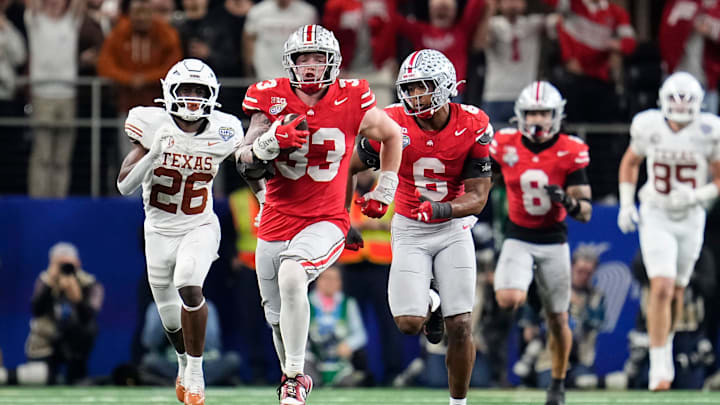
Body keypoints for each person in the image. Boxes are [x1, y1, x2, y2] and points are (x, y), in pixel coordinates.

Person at [235, 24, 402, 405]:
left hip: (325, 218)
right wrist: (267, 143)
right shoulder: (270, 99)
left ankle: (296, 378)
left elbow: (392, 135)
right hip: (276, 218)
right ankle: (289, 382)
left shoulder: (352, 97)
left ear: (334, 62)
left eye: (318, 58)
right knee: (276, 316)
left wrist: (385, 188)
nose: (310, 66)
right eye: (302, 58)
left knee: (293, 275)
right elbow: (243, 158)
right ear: (289, 63)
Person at [350, 49, 494, 405]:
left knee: (460, 325)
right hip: (411, 227)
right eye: (410, 89)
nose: (415, 97)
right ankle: (431, 302)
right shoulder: (392, 122)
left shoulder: (472, 123)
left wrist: (443, 208)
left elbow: (478, 196)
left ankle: (457, 403)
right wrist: (342, 216)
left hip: (453, 226)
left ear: (445, 87)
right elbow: (349, 167)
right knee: (408, 324)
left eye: (423, 88)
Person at [116, 58, 244, 405]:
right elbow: (124, 186)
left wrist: (264, 197)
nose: (190, 98)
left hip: (199, 225)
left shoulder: (225, 129)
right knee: (171, 322)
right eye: (185, 90)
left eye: (198, 91)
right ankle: (184, 362)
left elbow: (250, 167)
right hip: (158, 231)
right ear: (169, 93)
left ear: (212, 95)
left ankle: (197, 373)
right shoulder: (151, 123)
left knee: (190, 283)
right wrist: (152, 153)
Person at [616, 71, 720, 391]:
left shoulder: (709, 130)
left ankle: (667, 343)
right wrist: (626, 203)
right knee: (660, 285)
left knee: (677, 290)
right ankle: (659, 367)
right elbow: (631, 162)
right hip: (656, 212)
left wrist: (697, 196)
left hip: (690, 216)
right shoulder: (649, 125)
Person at [490, 80, 592, 405]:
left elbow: (586, 212)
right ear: (520, 114)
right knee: (507, 297)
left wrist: (569, 202)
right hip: (518, 235)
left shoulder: (570, 149)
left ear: (556, 115)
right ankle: (533, 295)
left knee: (559, 318)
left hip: (553, 240)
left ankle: (558, 384)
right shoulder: (504, 143)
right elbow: (480, 182)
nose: (537, 120)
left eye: (543, 113)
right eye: (532, 112)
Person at [24, 242, 104, 385]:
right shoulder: (44, 281)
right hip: (46, 342)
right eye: (60, 265)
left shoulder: (90, 284)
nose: (65, 270)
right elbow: (36, 310)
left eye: (69, 265)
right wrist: (50, 283)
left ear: (78, 263)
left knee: (90, 328)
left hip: (75, 342)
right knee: (40, 378)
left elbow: (89, 317)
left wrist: (78, 299)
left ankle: (77, 372)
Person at [305, 266, 370, 387]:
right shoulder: (306, 303)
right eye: (327, 278)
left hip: (340, 358)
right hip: (314, 358)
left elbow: (360, 334)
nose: (330, 283)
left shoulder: (348, 303)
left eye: (335, 279)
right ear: (317, 280)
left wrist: (348, 345)